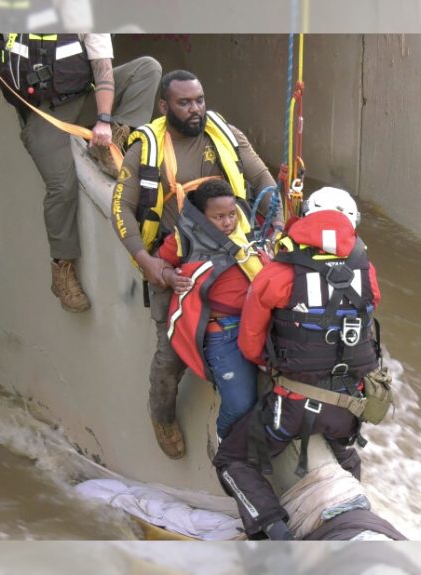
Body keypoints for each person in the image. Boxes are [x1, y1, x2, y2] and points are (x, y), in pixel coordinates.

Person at [111, 70, 279, 459]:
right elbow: (121, 208)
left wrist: (277, 224)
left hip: (233, 257)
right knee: (170, 355)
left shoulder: (225, 133)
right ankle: (162, 416)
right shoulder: (147, 148)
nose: (195, 109)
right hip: (175, 264)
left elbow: (262, 179)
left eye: (199, 100)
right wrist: (147, 262)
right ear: (164, 106)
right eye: (184, 103)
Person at [212, 187, 383, 540]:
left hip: (290, 408)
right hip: (348, 409)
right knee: (346, 456)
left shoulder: (278, 274)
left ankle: (272, 530)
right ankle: (352, 514)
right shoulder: (367, 272)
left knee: (233, 459)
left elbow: (250, 343)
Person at [0, 33, 161, 313]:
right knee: (62, 187)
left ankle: (115, 137)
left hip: (83, 97)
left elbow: (103, 67)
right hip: (42, 113)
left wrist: (104, 121)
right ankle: (62, 268)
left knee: (147, 69)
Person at [159, 179, 267, 441]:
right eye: (218, 217)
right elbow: (160, 260)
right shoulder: (184, 236)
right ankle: (224, 442)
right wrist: (169, 275)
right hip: (222, 332)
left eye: (231, 214)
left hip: (261, 323)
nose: (228, 222)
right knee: (241, 404)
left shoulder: (247, 226)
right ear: (203, 217)